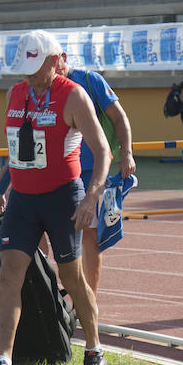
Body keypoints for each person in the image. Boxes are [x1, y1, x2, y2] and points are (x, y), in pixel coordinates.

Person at [0, 30, 111, 365]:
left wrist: (91, 198)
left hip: (63, 197)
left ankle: (94, 349)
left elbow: (103, 151)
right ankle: (2, 363)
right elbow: (18, 149)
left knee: (71, 278)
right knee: (9, 274)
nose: (29, 76)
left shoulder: (74, 95)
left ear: (54, 61)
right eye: (24, 69)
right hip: (22, 200)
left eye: (35, 68)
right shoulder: (14, 93)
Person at [57, 53, 136, 295]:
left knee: (89, 236)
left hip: (89, 171)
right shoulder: (41, 86)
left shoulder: (90, 81)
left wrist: (127, 153)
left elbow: (119, 116)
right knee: (46, 234)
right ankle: (47, 298)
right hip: (54, 171)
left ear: (62, 58)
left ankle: (89, 301)